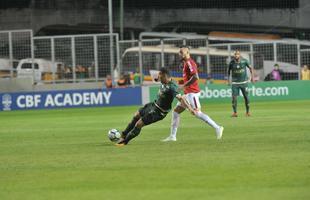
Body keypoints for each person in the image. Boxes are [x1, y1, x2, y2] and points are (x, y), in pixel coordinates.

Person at [115, 67, 196, 146]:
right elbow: (157, 78)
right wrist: (157, 79)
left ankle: (125, 141)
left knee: (139, 124)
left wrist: (190, 108)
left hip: (159, 112)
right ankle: (124, 134)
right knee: (136, 115)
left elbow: (181, 99)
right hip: (154, 105)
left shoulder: (172, 87)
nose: (159, 78)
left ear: (164, 76)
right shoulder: (164, 81)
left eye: (160, 77)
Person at [162, 45, 224, 142]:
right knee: (176, 111)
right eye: (179, 52)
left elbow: (196, 77)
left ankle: (217, 127)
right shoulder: (186, 63)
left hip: (192, 93)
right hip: (187, 93)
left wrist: (183, 85)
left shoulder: (190, 63)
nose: (180, 54)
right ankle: (173, 136)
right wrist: (181, 83)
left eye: (181, 52)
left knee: (197, 113)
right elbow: (189, 78)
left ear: (187, 53)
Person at [227, 50, 254, 117]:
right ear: (234, 55)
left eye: (238, 54)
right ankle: (235, 113)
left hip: (244, 82)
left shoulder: (244, 61)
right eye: (235, 54)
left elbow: (250, 68)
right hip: (235, 83)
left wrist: (252, 77)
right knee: (234, 98)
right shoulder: (231, 63)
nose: (236, 56)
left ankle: (247, 112)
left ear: (240, 55)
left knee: (246, 97)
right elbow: (228, 72)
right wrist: (228, 80)